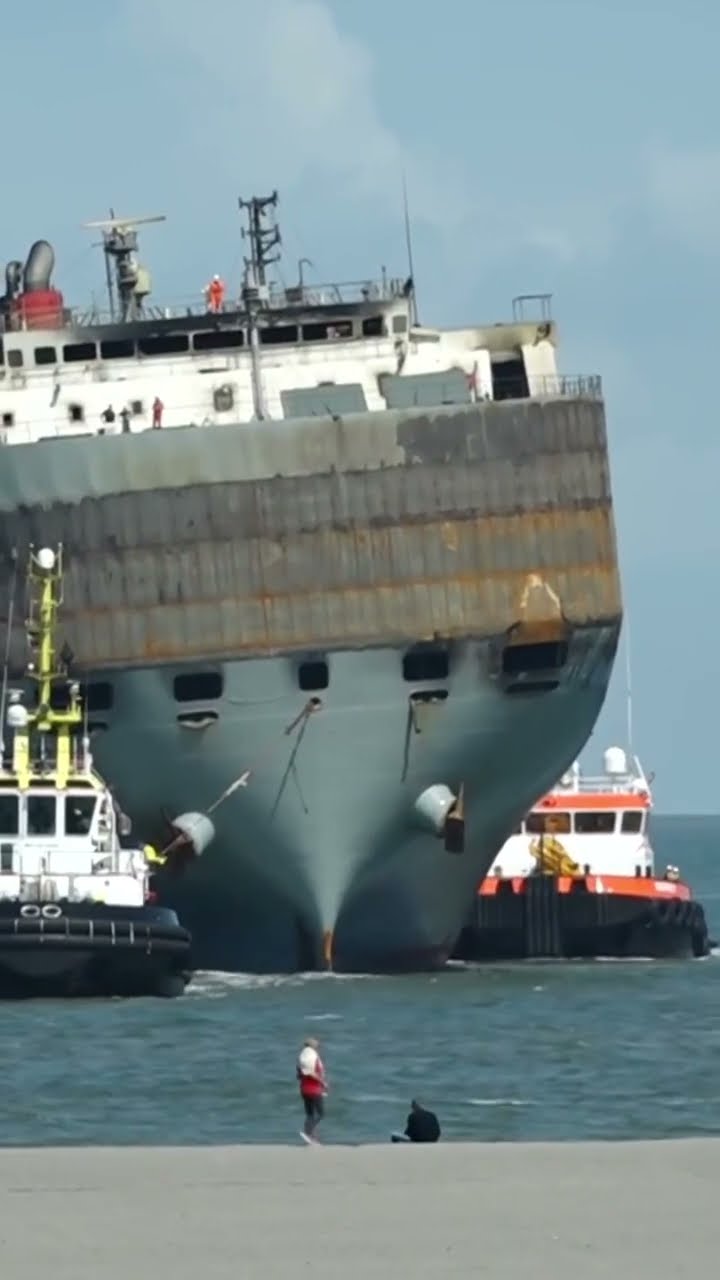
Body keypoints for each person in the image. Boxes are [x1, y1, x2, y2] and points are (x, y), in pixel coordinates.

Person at [296, 1037, 327, 1143]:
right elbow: (310, 1073)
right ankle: (308, 1133)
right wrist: (323, 1082)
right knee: (320, 1114)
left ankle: (311, 1137)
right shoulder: (312, 1056)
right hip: (314, 1089)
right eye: (317, 1046)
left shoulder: (302, 1057)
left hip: (304, 1089)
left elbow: (299, 1075)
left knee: (310, 1114)